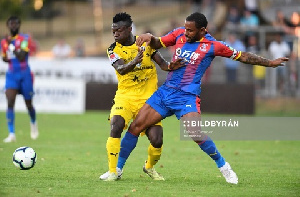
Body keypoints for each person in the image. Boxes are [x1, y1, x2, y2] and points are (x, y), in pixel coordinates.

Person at [118, 12, 288, 184]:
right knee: (135, 126)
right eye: (185, 29)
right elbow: (158, 43)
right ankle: (117, 170)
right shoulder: (179, 34)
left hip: (186, 96)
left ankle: (224, 167)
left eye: (190, 31)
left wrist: (269, 63)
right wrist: (149, 37)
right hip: (166, 92)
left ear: (202, 30)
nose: (186, 33)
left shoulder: (214, 45)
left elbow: (242, 56)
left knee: (195, 133)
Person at [99, 12, 184, 181]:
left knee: (157, 139)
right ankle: (113, 171)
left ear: (129, 29)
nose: (115, 34)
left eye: (119, 30)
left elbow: (162, 64)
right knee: (116, 125)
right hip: (125, 97)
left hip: (149, 100)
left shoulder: (146, 44)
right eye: (113, 30)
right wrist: (135, 61)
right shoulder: (112, 49)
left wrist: (171, 66)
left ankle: (149, 167)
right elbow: (121, 69)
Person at [1, 16, 39, 143]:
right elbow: (5, 58)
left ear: (19, 25)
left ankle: (33, 123)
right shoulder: (4, 41)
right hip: (12, 74)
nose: (13, 26)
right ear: (8, 25)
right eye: (11, 24)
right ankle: (11, 134)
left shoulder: (24, 39)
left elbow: (22, 56)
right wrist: (6, 55)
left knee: (29, 104)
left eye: (15, 23)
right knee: (10, 101)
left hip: (25, 74)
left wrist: (11, 46)